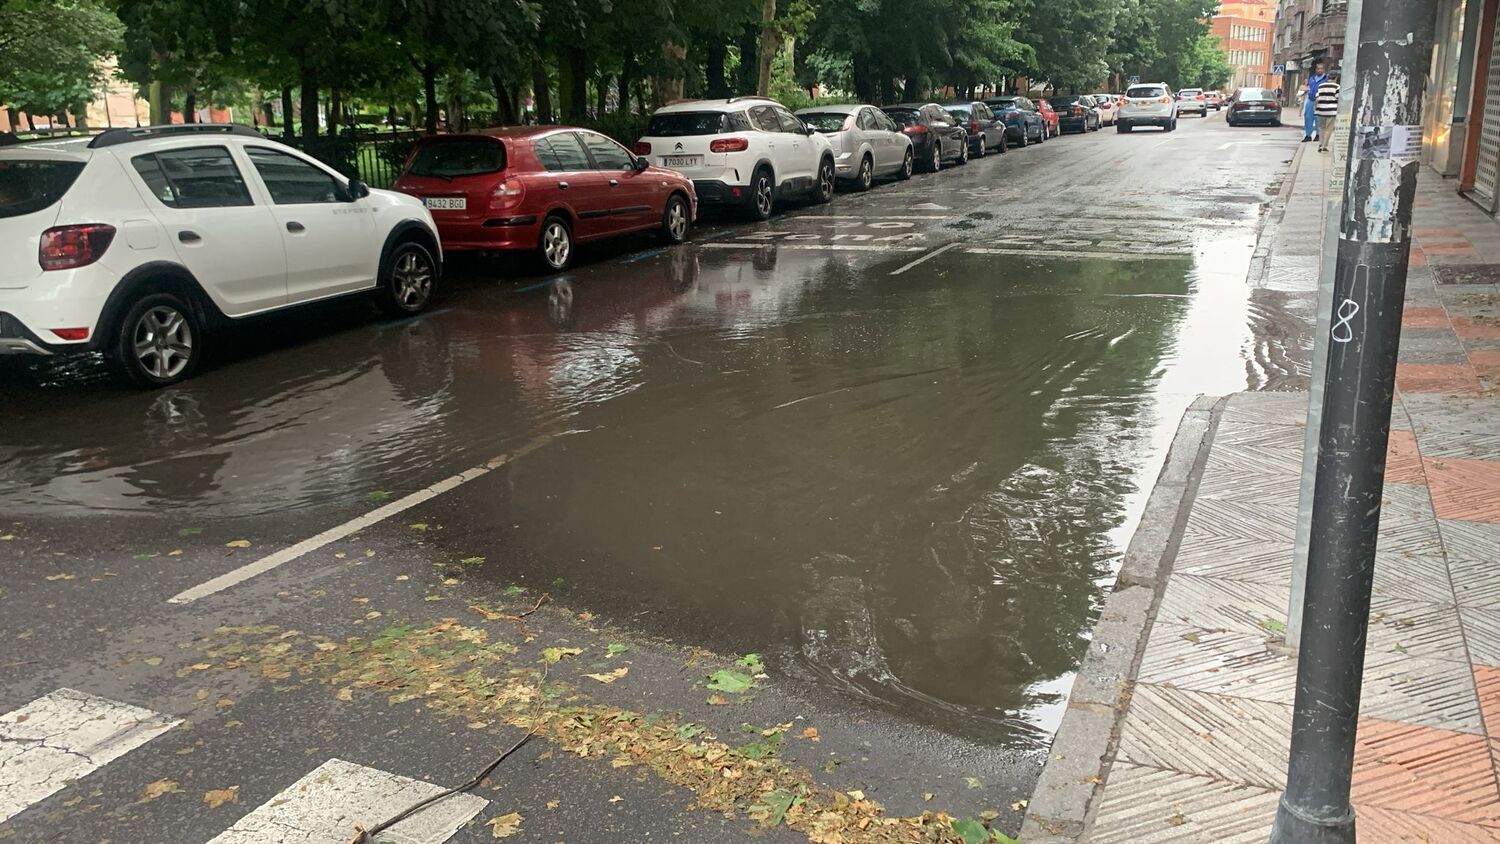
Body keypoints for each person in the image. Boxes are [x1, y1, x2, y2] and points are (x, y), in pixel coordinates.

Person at [1315, 70, 1340, 152]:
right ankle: (1324, 146)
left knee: (1321, 128)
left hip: (1321, 110)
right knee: (1329, 129)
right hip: (1332, 111)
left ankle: (1320, 144)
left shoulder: (1321, 86)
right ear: (1336, 78)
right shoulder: (1337, 87)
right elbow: (1338, 97)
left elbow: (1317, 97)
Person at [1302, 62, 1328, 143]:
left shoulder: (1326, 78)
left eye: (1321, 68)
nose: (1319, 70)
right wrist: (1305, 88)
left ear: (1324, 70)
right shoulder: (1312, 78)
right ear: (1316, 69)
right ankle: (1308, 135)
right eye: (1318, 68)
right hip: (1310, 99)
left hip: (1320, 101)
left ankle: (1318, 135)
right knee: (1307, 117)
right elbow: (1308, 87)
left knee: (1318, 118)